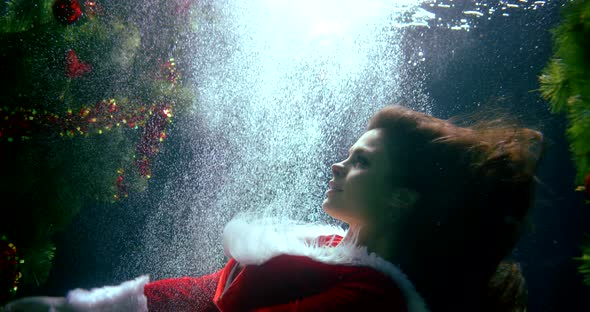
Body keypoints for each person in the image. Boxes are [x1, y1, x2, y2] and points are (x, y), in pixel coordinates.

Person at [1, 105, 543, 311]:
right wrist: (80, 307)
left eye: (360, 162)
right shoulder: (332, 250)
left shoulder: (372, 301)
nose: (337, 166)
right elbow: (201, 290)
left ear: (403, 198)